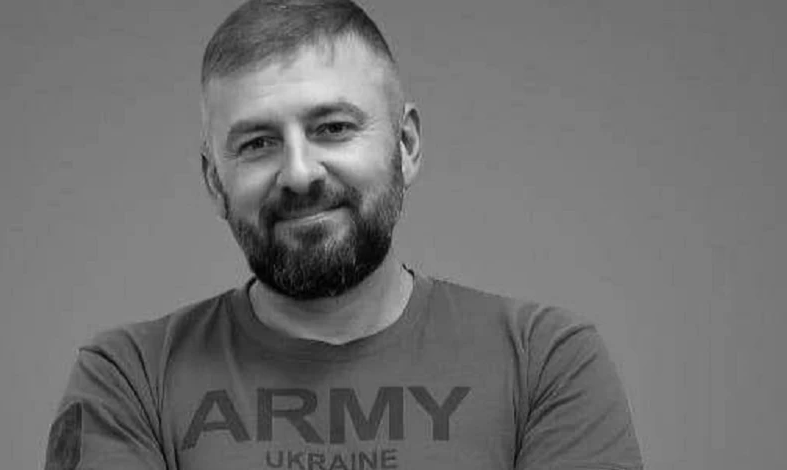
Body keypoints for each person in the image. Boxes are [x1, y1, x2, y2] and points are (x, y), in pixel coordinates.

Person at [44, 0, 644, 469]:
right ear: (213, 179)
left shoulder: (544, 360)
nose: (299, 173)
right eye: (258, 143)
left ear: (405, 145)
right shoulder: (130, 377)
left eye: (332, 127)